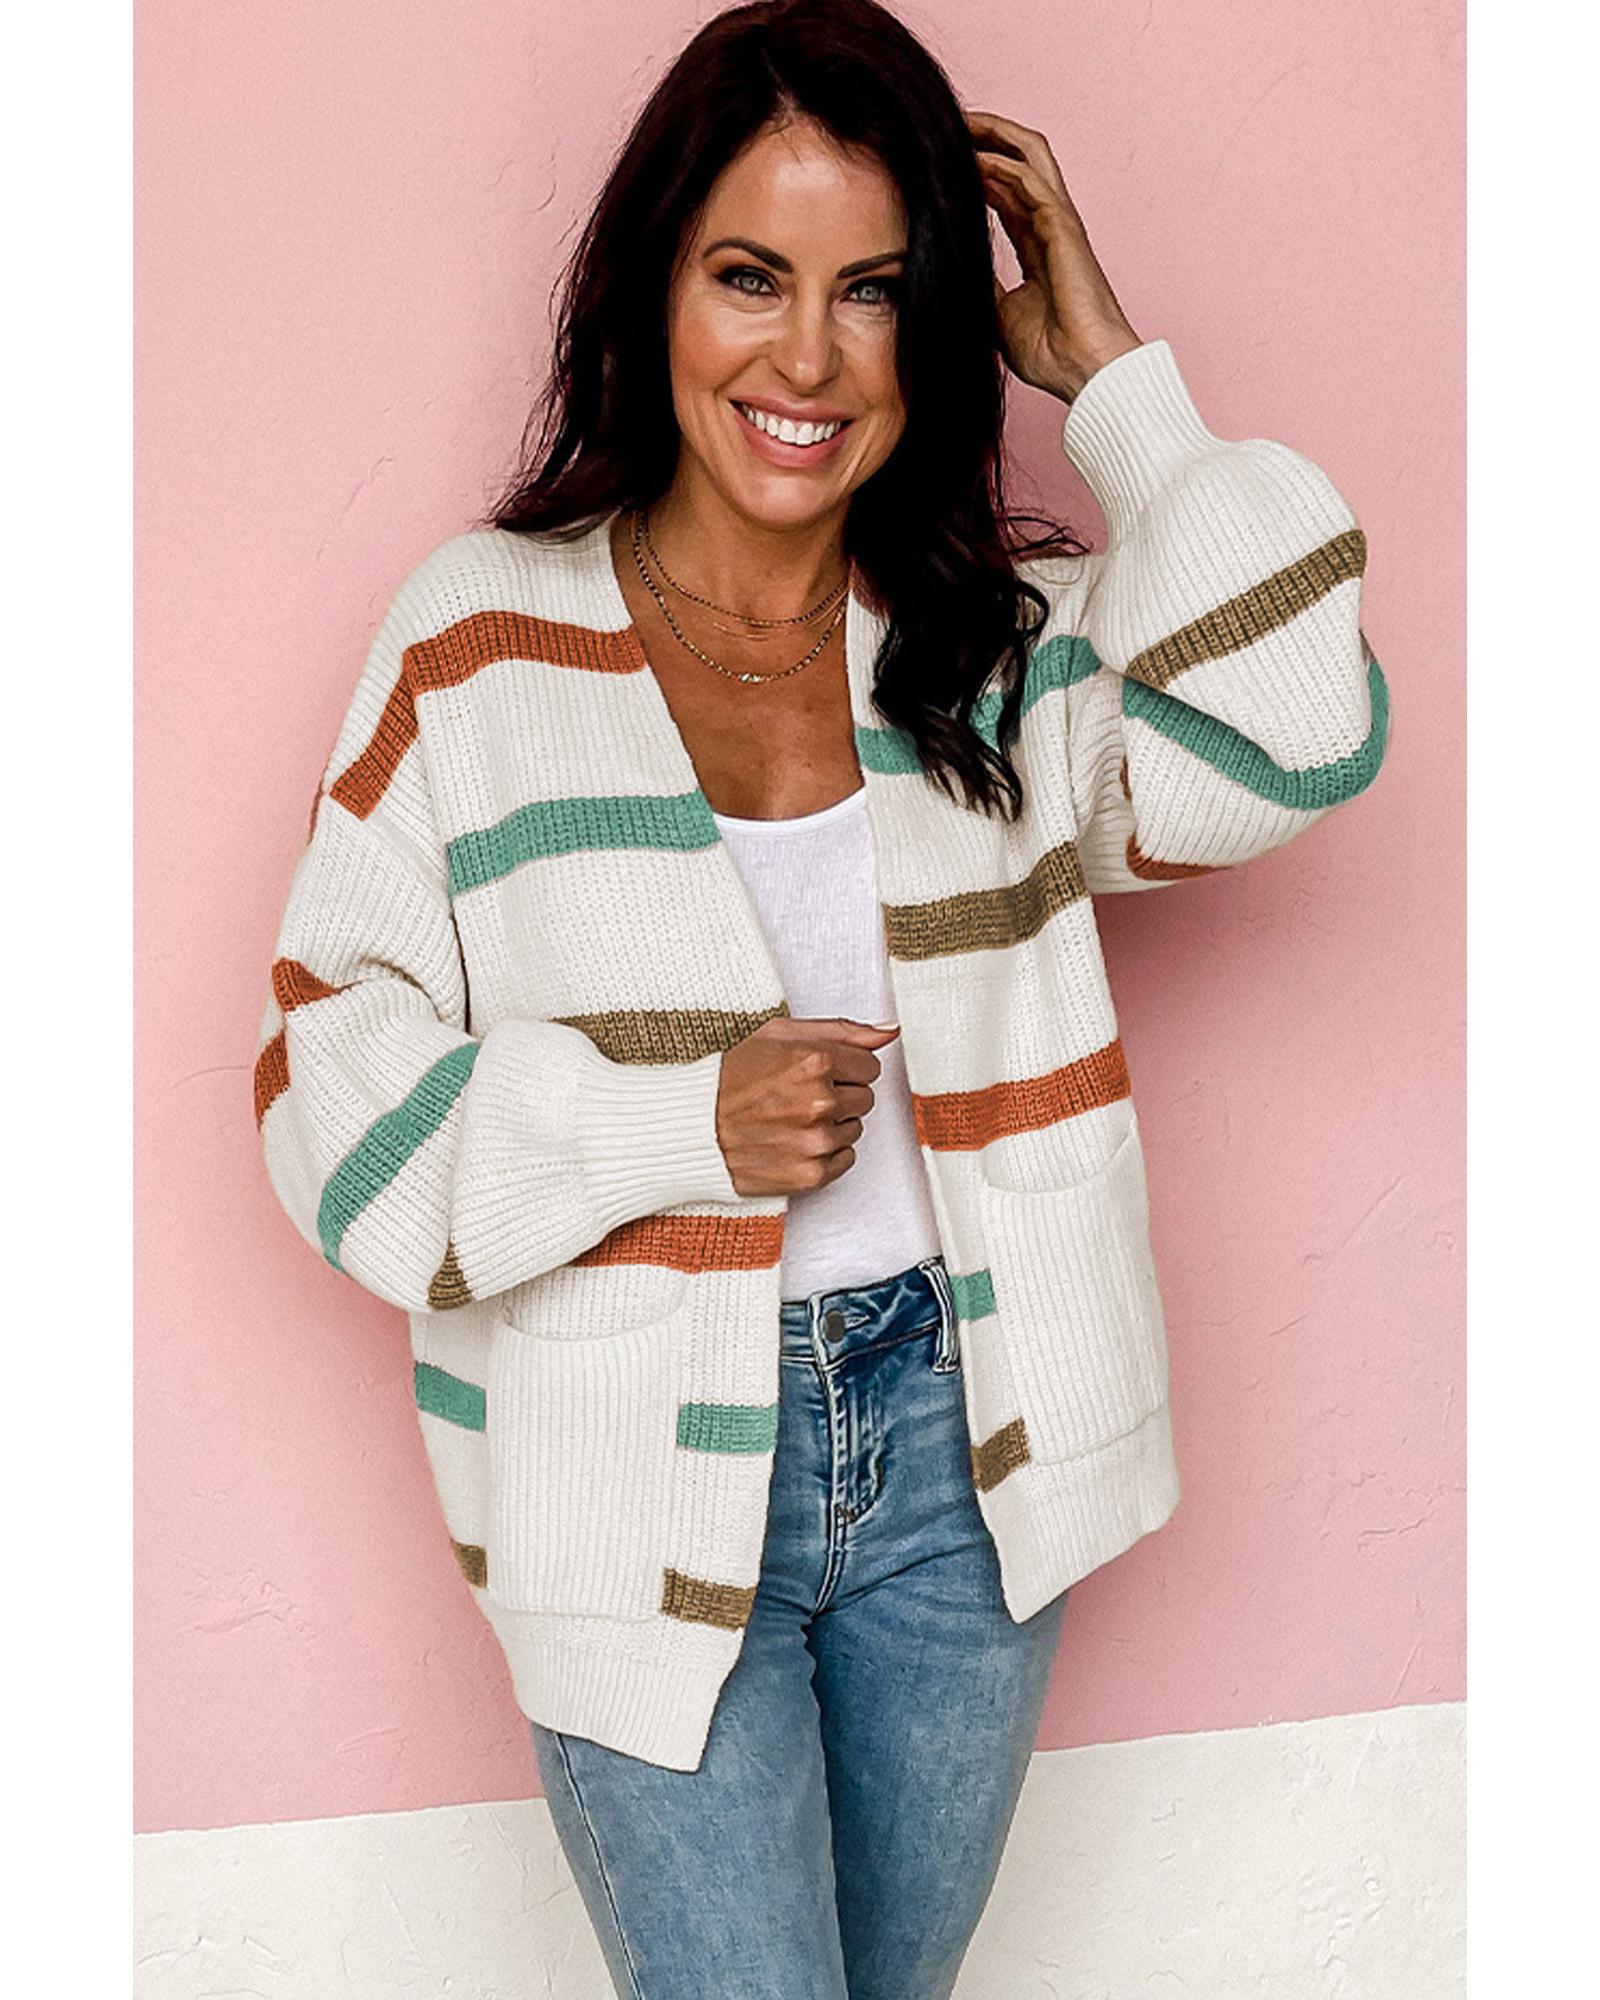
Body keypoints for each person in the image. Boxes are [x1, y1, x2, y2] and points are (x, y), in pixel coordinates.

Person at [253, 2, 1391, 1992]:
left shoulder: (990, 655)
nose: (805, 358)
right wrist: (677, 1123)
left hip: (961, 1456)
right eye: (749, 276)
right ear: (652, 289)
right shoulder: (477, 643)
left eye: (870, 291)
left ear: (931, 327)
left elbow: (1304, 735)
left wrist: (1118, 385)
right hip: (624, 1461)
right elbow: (322, 1101)